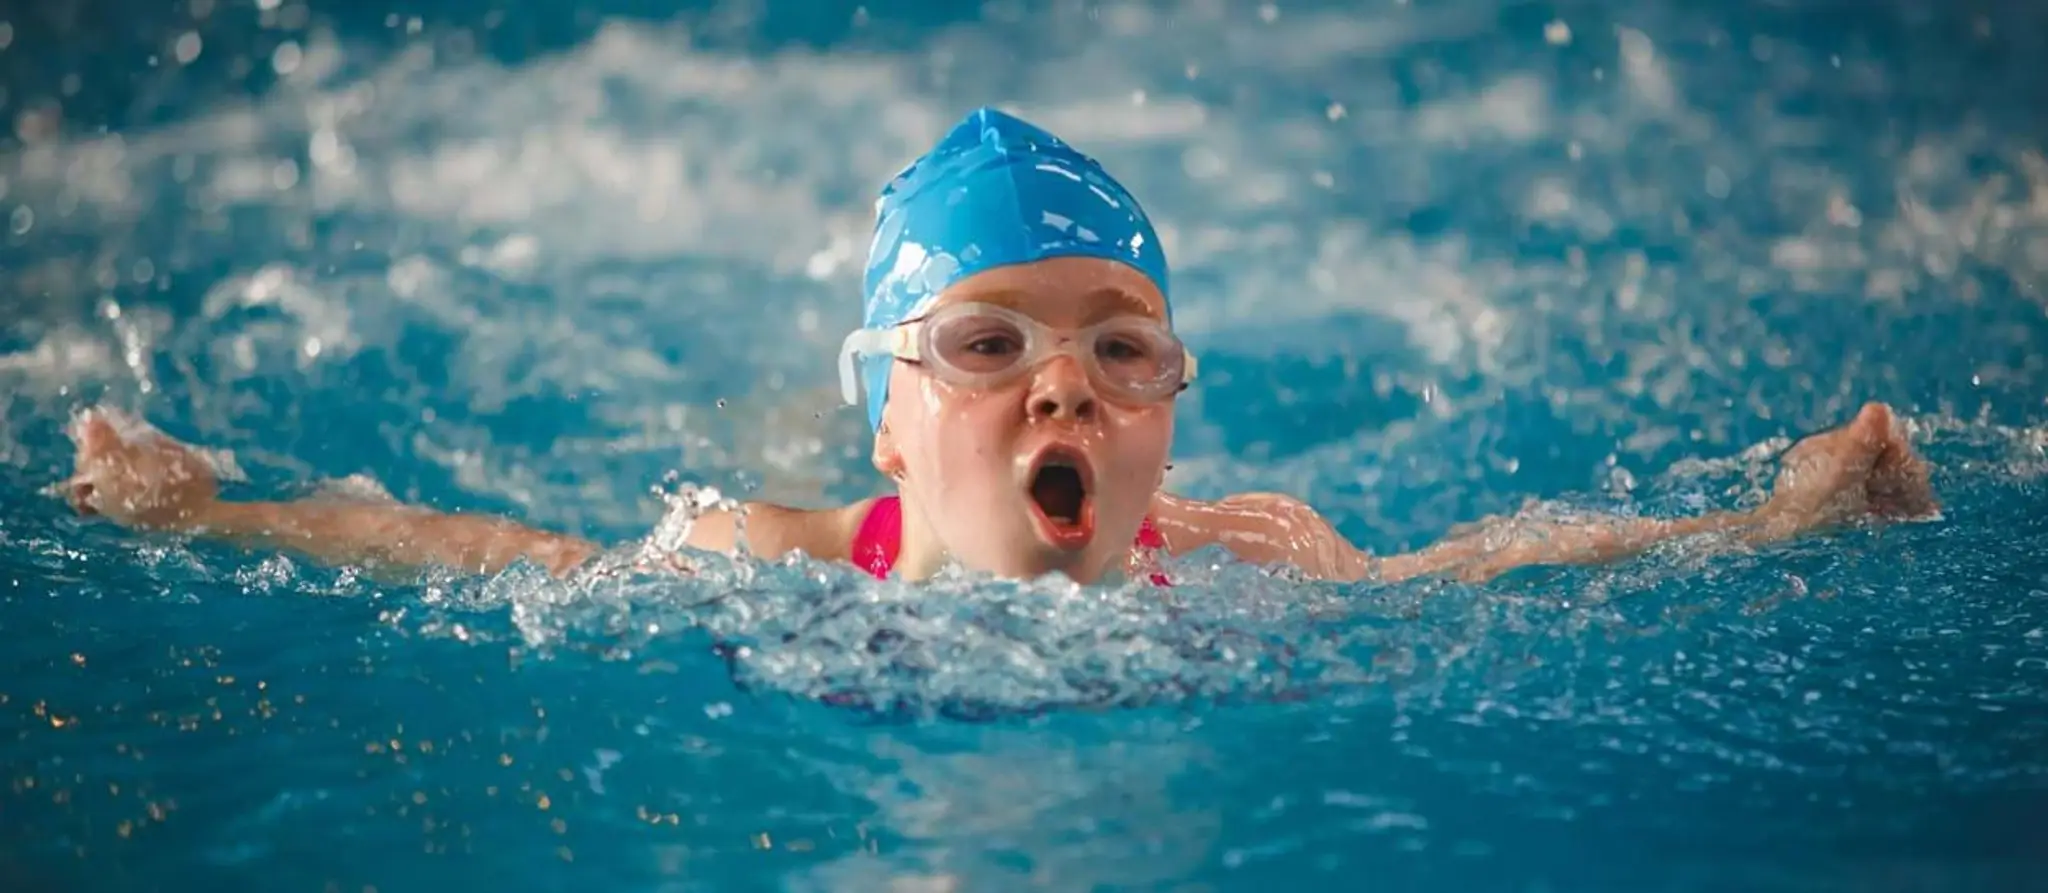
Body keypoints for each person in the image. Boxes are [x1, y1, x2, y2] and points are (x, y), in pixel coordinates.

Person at [60, 107, 1939, 588]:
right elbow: (488, 554)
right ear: (891, 420)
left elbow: (1493, 566)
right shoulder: (774, 554)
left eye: (1124, 352)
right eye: (986, 343)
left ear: (1171, 411)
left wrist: (1773, 522)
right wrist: (212, 511)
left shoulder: (1252, 552)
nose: (1064, 387)